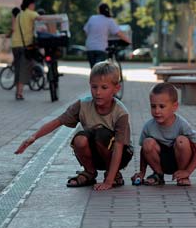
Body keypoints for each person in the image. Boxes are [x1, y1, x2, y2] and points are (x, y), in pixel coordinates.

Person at [15, 61, 134, 191]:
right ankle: (89, 172)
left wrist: (109, 181)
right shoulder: (83, 105)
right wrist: (33, 137)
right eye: (94, 87)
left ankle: (114, 175)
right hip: (96, 153)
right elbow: (58, 121)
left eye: (104, 88)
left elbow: (118, 147)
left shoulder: (121, 113)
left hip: (120, 154)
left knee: (101, 135)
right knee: (79, 138)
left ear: (116, 88)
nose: (98, 92)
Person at [131, 83, 196, 186]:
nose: (157, 111)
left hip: (180, 159)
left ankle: (182, 176)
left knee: (182, 141)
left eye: (162, 106)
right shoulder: (149, 126)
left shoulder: (182, 125)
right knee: (147, 142)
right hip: (160, 161)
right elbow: (143, 151)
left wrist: (188, 171)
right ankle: (158, 175)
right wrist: (142, 172)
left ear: (174, 106)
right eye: (153, 106)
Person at [10, 0, 59, 100]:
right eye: (33, 4)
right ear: (30, 5)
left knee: (18, 69)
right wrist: (56, 19)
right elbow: (42, 19)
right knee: (24, 69)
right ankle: (19, 93)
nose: (34, 6)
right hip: (25, 46)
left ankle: (17, 91)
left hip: (15, 45)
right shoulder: (30, 13)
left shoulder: (19, 14)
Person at [83, 3, 131, 68]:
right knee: (100, 69)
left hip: (90, 47)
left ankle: (94, 77)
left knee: (93, 69)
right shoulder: (109, 20)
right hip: (101, 48)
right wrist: (128, 41)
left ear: (99, 10)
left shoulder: (92, 18)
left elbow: (86, 31)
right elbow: (119, 33)